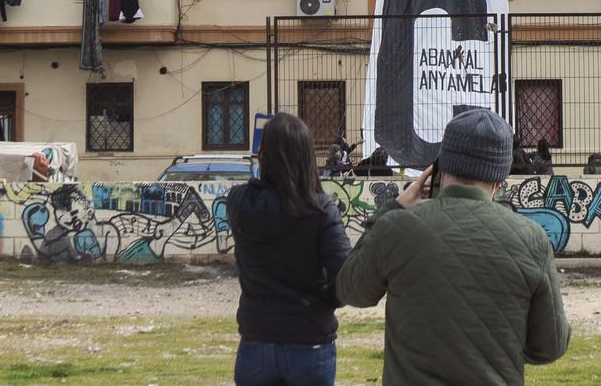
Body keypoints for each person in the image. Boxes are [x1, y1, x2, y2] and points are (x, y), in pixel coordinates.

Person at [337, 107, 570, 384]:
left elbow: (350, 290)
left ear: (438, 167)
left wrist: (393, 207)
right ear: (500, 179)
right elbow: (550, 346)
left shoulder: (396, 227)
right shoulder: (532, 240)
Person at [226, 113, 351, 386]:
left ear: (264, 155)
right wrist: (325, 302)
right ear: (307, 158)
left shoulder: (238, 203)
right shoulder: (320, 210)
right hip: (309, 340)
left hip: (256, 338)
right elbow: (344, 276)